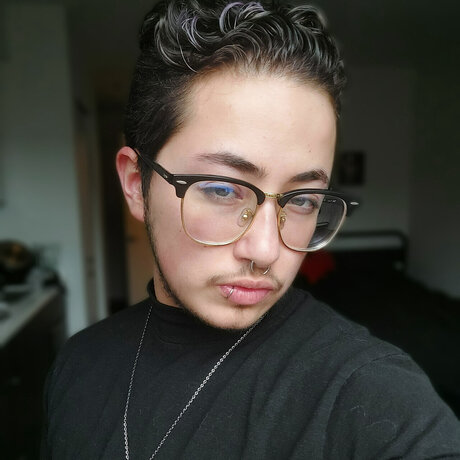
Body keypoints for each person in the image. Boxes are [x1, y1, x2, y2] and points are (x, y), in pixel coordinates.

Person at [41, 1, 460, 458]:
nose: (265, 251)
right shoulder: (77, 364)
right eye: (223, 189)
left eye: (302, 200)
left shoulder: (370, 392)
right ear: (136, 185)